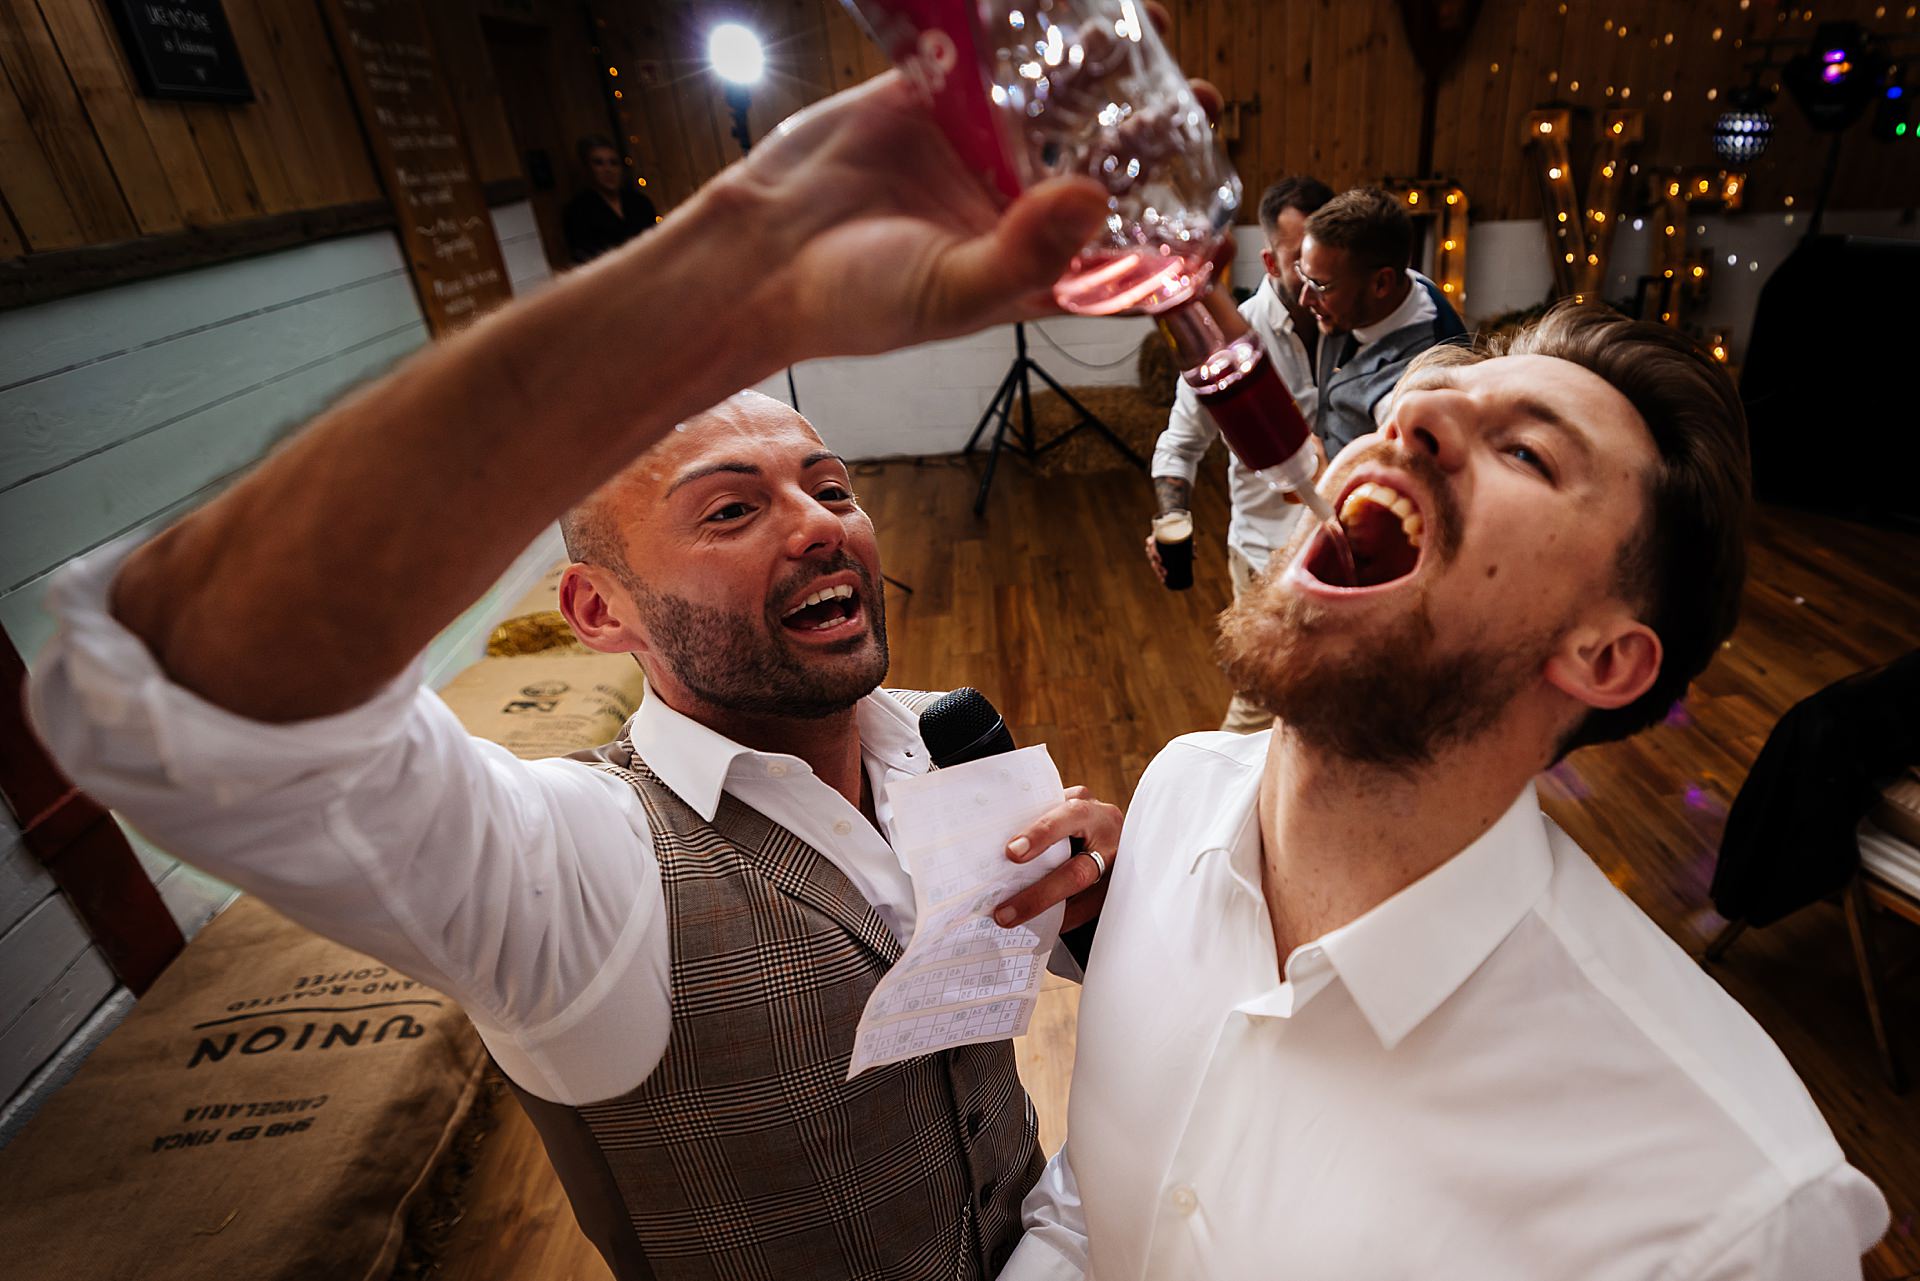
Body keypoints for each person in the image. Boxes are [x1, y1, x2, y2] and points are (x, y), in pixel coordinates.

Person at [26, 72, 1129, 1281]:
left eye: (829, 484)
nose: (821, 527)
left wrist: (1098, 924)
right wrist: (726, 282)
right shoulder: (581, 876)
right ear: (598, 612)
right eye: (729, 510)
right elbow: (198, 686)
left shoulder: (941, 738)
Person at [1005, 304, 1890, 1279]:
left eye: (1528, 454)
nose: (1410, 419)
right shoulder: (1176, 794)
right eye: (1407, 405)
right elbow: (1087, 1214)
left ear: (1605, 658)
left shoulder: (1731, 1208)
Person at [1145, 175, 1335, 734]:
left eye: (1325, 262)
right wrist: (1169, 519)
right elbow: (1178, 446)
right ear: (1270, 261)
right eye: (1299, 259)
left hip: (1345, 546)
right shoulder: (1229, 338)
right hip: (1265, 556)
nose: (1316, 278)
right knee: (1260, 705)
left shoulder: (1357, 320)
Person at [1296, 185, 1467, 460]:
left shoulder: (1419, 386)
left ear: (1381, 283)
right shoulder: (1404, 283)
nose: (1305, 299)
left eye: (1320, 285)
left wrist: (1320, 474)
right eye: (1303, 276)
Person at [562, 134, 659, 264]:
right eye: (599, 163)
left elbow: (657, 242)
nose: (608, 170)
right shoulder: (578, 211)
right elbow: (586, 260)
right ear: (587, 168)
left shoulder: (640, 202)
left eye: (614, 163)